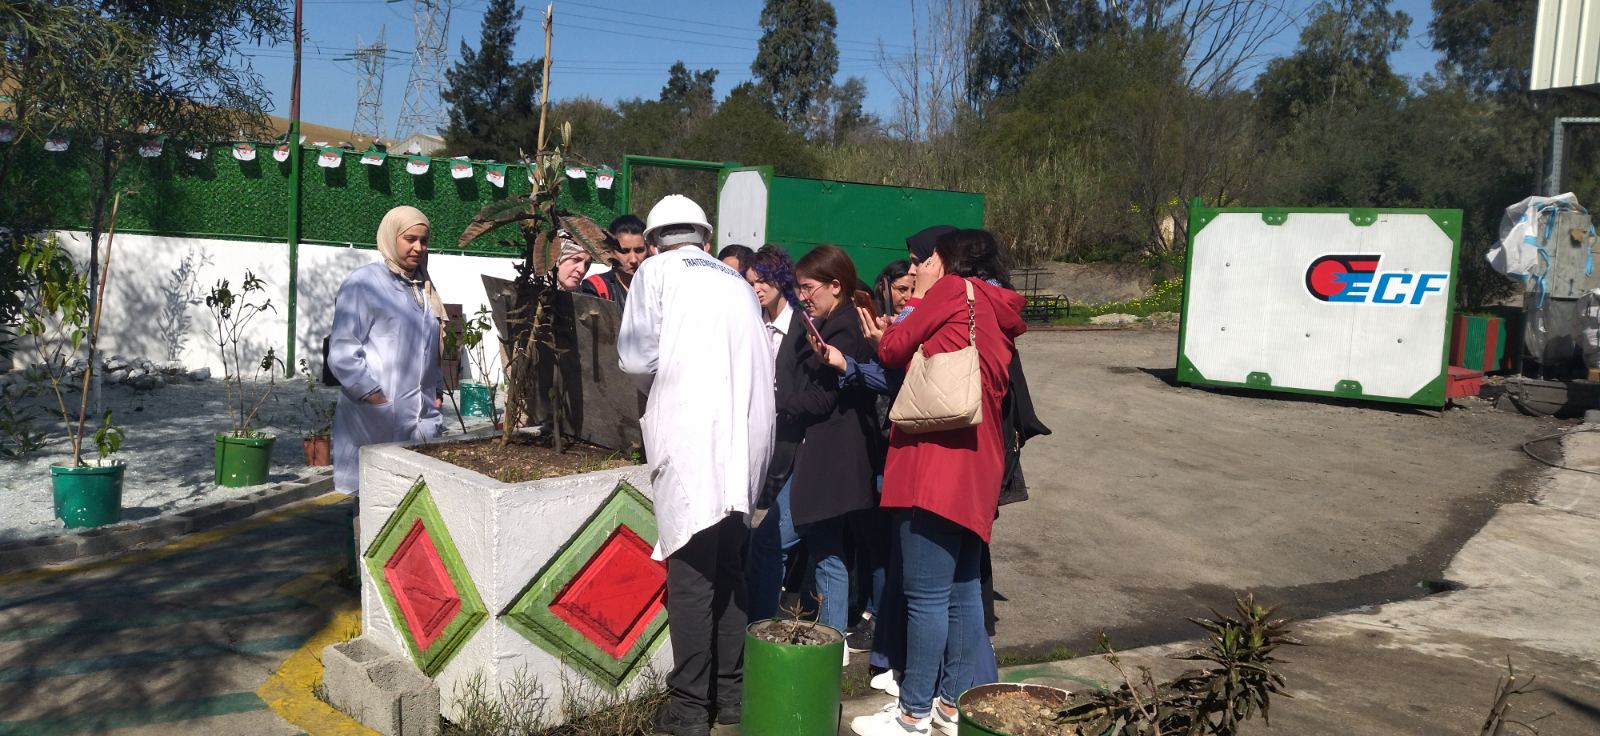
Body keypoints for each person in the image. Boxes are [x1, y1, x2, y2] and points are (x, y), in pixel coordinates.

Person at [850, 229, 1026, 736]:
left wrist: (883, 336)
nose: (913, 274)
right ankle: (950, 707)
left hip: (935, 465)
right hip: (977, 464)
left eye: (920, 263)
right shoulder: (997, 304)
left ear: (947, 262)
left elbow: (895, 350)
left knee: (925, 597)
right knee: (964, 591)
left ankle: (912, 714)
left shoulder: (951, 291)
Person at [618, 194, 775, 736]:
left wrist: (658, 387)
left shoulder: (656, 272)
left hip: (690, 441)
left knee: (690, 580)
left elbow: (637, 358)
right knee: (731, 571)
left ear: (655, 241)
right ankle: (730, 698)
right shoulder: (736, 282)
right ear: (705, 239)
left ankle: (688, 711)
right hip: (745, 444)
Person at [781, 244, 880, 640]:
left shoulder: (843, 327)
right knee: (826, 550)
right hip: (832, 456)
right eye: (798, 288)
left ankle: (758, 630)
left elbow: (822, 398)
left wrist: (772, 399)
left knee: (772, 543)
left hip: (831, 457)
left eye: (808, 287)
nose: (802, 296)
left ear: (835, 285)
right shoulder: (831, 320)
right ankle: (833, 641)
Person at [328, 205, 447, 495]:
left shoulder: (423, 287)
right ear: (391, 237)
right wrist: (373, 395)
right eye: (410, 239)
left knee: (409, 503)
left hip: (419, 418)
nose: (419, 247)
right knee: (369, 501)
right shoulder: (365, 284)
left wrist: (438, 390)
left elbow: (430, 347)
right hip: (374, 418)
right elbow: (343, 350)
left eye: (424, 240)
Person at [743, 245, 812, 625]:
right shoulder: (754, 321)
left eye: (764, 280)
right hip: (765, 436)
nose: (756, 288)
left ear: (781, 279)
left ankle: (764, 621)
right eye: (751, 282)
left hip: (797, 440)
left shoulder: (801, 325)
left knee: (779, 537)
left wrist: (777, 399)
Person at [583, 214, 648, 307]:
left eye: (639, 250)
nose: (633, 259)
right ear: (611, 251)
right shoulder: (596, 288)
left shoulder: (658, 286)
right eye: (624, 251)